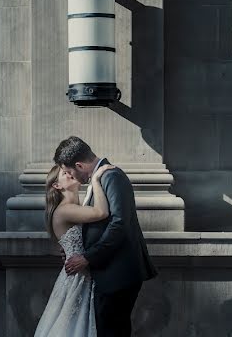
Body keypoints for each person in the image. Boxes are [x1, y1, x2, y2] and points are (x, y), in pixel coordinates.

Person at [53, 136, 158, 337]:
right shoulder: (100, 179)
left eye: (69, 172)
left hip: (117, 272)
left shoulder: (112, 176)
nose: (70, 176)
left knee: (112, 331)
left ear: (79, 165)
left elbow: (119, 224)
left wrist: (87, 257)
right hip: (108, 271)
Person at [35, 162, 115, 336]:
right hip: (78, 277)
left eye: (69, 170)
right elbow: (101, 213)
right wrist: (95, 180)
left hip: (83, 273)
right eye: (64, 174)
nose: (70, 173)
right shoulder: (64, 210)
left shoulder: (77, 206)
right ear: (57, 186)